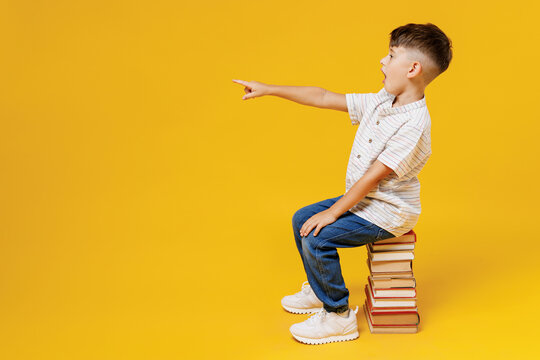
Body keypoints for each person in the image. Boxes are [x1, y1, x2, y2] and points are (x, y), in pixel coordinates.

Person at [232, 23, 452, 345]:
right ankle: (318, 289)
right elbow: (322, 97)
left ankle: (338, 316)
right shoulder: (382, 102)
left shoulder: (414, 124)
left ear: (413, 68)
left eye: (390, 56)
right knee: (300, 219)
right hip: (368, 201)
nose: (382, 61)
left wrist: (332, 213)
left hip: (388, 212)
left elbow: (372, 177)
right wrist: (270, 89)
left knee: (318, 239)